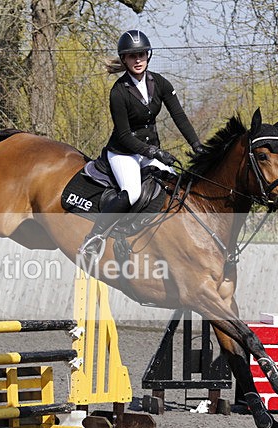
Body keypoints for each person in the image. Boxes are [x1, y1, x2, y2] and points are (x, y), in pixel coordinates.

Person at [79, 29, 206, 259]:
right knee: (133, 192)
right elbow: (125, 134)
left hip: (149, 151)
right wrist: (154, 152)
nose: (138, 60)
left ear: (148, 56)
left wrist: (196, 145)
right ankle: (94, 238)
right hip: (123, 153)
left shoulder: (160, 83)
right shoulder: (119, 92)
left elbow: (179, 115)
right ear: (124, 59)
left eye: (142, 55)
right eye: (132, 56)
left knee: (175, 187)